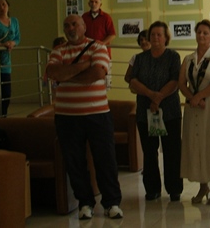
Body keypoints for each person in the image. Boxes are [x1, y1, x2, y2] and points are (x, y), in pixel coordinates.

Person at [45, 14, 123, 220]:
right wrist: (82, 66)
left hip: (98, 114)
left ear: (83, 26)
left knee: (105, 160)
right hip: (66, 116)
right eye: (66, 26)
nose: (70, 28)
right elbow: (53, 73)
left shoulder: (98, 47)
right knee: (74, 162)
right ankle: (85, 203)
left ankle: (112, 203)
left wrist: (67, 74)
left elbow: (96, 74)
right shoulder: (58, 50)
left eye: (74, 24)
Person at [127, 21, 183, 202]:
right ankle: (152, 189)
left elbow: (175, 81)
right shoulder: (140, 58)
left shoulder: (173, 56)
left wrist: (158, 98)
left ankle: (174, 189)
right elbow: (133, 81)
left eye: (159, 35)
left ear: (166, 37)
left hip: (170, 111)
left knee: (172, 151)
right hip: (145, 112)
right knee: (149, 152)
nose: (155, 38)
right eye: (152, 35)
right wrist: (151, 95)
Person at [178, 20, 210, 206]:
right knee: (197, 143)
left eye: (206, 33)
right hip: (194, 106)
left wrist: (199, 97)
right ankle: (203, 186)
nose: (201, 35)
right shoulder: (189, 59)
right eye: (199, 32)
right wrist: (193, 98)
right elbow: (181, 83)